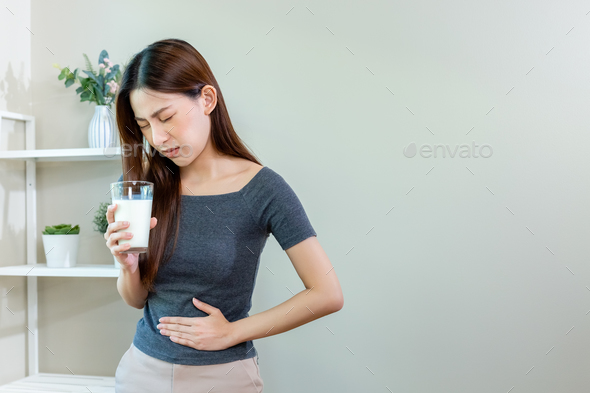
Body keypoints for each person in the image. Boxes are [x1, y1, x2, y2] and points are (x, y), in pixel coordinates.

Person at [103, 38, 344, 392]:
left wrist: (233, 331)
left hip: (222, 377)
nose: (157, 137)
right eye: (144, 125)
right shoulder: (141, 187)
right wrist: (127, 265)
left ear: (207, 100)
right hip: (141, 371)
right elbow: (136, 299)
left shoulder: (263, 189)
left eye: (166, 117)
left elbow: (327, 293)